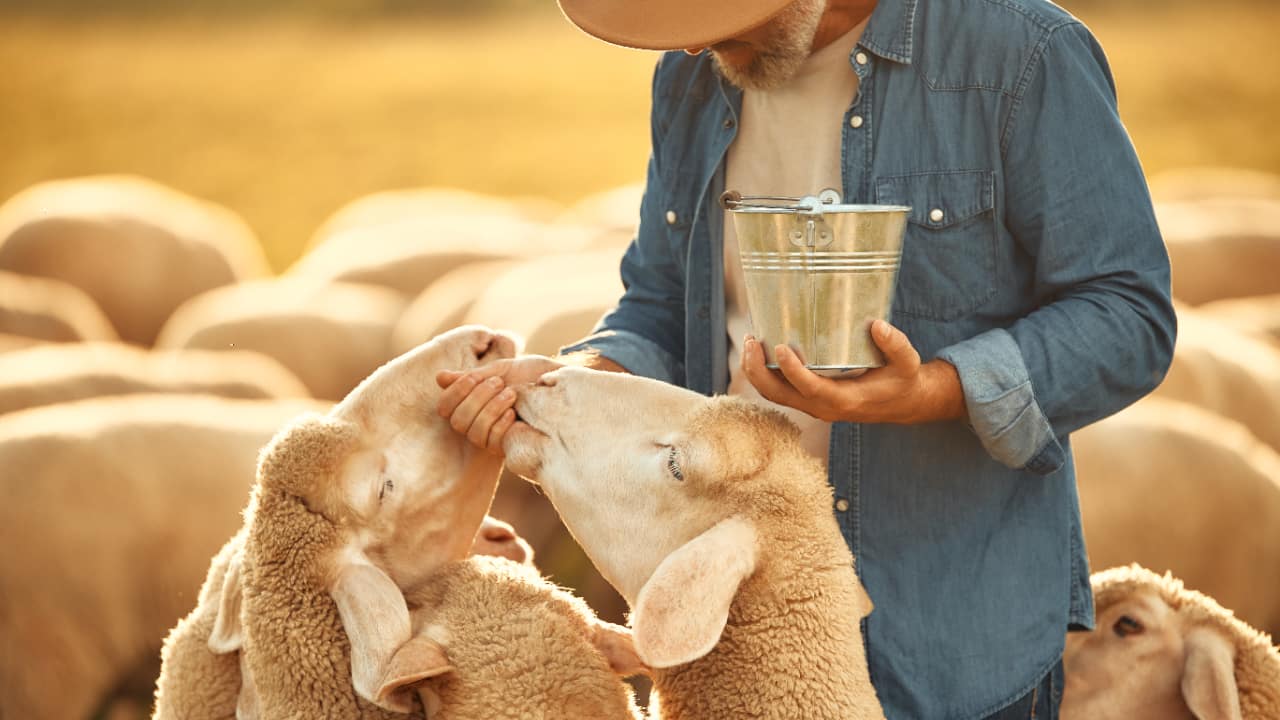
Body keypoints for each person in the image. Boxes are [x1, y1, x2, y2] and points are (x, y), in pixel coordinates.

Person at [437, 0, 1177, 717]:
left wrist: (934, 391)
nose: (691, 44)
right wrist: (575, 386)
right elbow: (663, 299)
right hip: (729, 618)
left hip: (952, 635)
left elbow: (1127, 314)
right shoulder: (691, 74)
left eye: (712, 14)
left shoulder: (1022, 54)